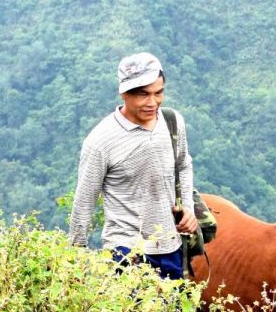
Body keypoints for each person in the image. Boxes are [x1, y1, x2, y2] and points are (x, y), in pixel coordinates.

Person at [67, 52, 198, 280]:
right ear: (124, 93)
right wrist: (73, 262)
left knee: (174, 304)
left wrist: (187, 207)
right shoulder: (100, 141)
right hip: (125, 251)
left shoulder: (172, 122)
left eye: (158, 93)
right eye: (143, 94)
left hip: (171, 246)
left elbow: (183, 165)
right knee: (133, 305)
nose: (153, 102)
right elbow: (84, 202)